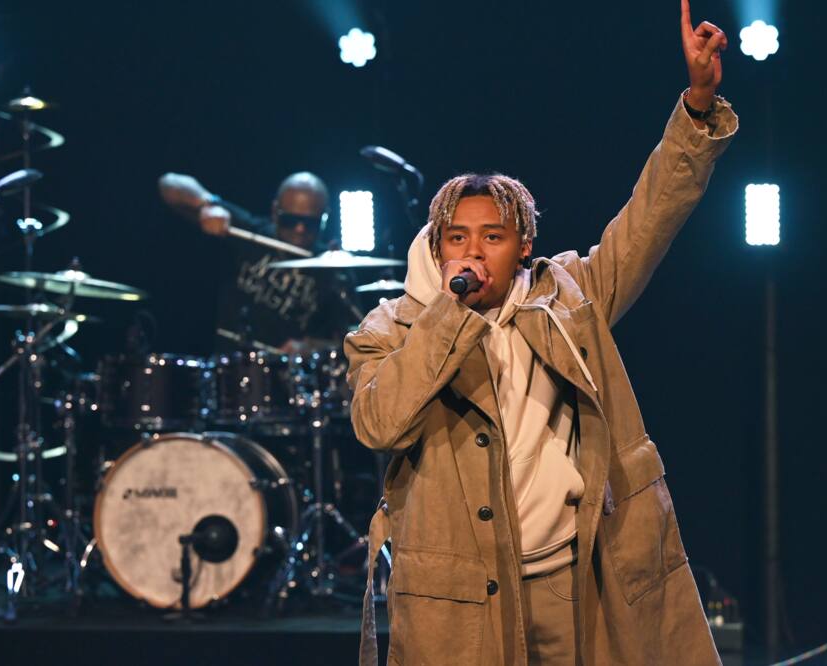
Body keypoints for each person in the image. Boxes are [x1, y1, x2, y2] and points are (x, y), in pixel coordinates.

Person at [344, 2, 738, 664]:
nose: (474, 252)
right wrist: (451, 314)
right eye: (458, 238)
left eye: (492, 237)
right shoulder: (392, 328)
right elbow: (378, 424)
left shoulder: (571, 297)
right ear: (436, 247)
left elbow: (651, 215)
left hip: (571, 577)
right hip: (463, 601)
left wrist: (697, 108)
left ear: (523, 245)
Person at [158, 170, 348, 351]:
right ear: (275, 211)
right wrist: (208, 204)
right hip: (230, 367)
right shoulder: (250, 233)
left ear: (325, 217)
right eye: (290, 220)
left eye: (310, 223)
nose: (300, 229)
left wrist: (310, 348)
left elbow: (354, 339)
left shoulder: (334, 267)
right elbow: (169, 183)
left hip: (292, 377)